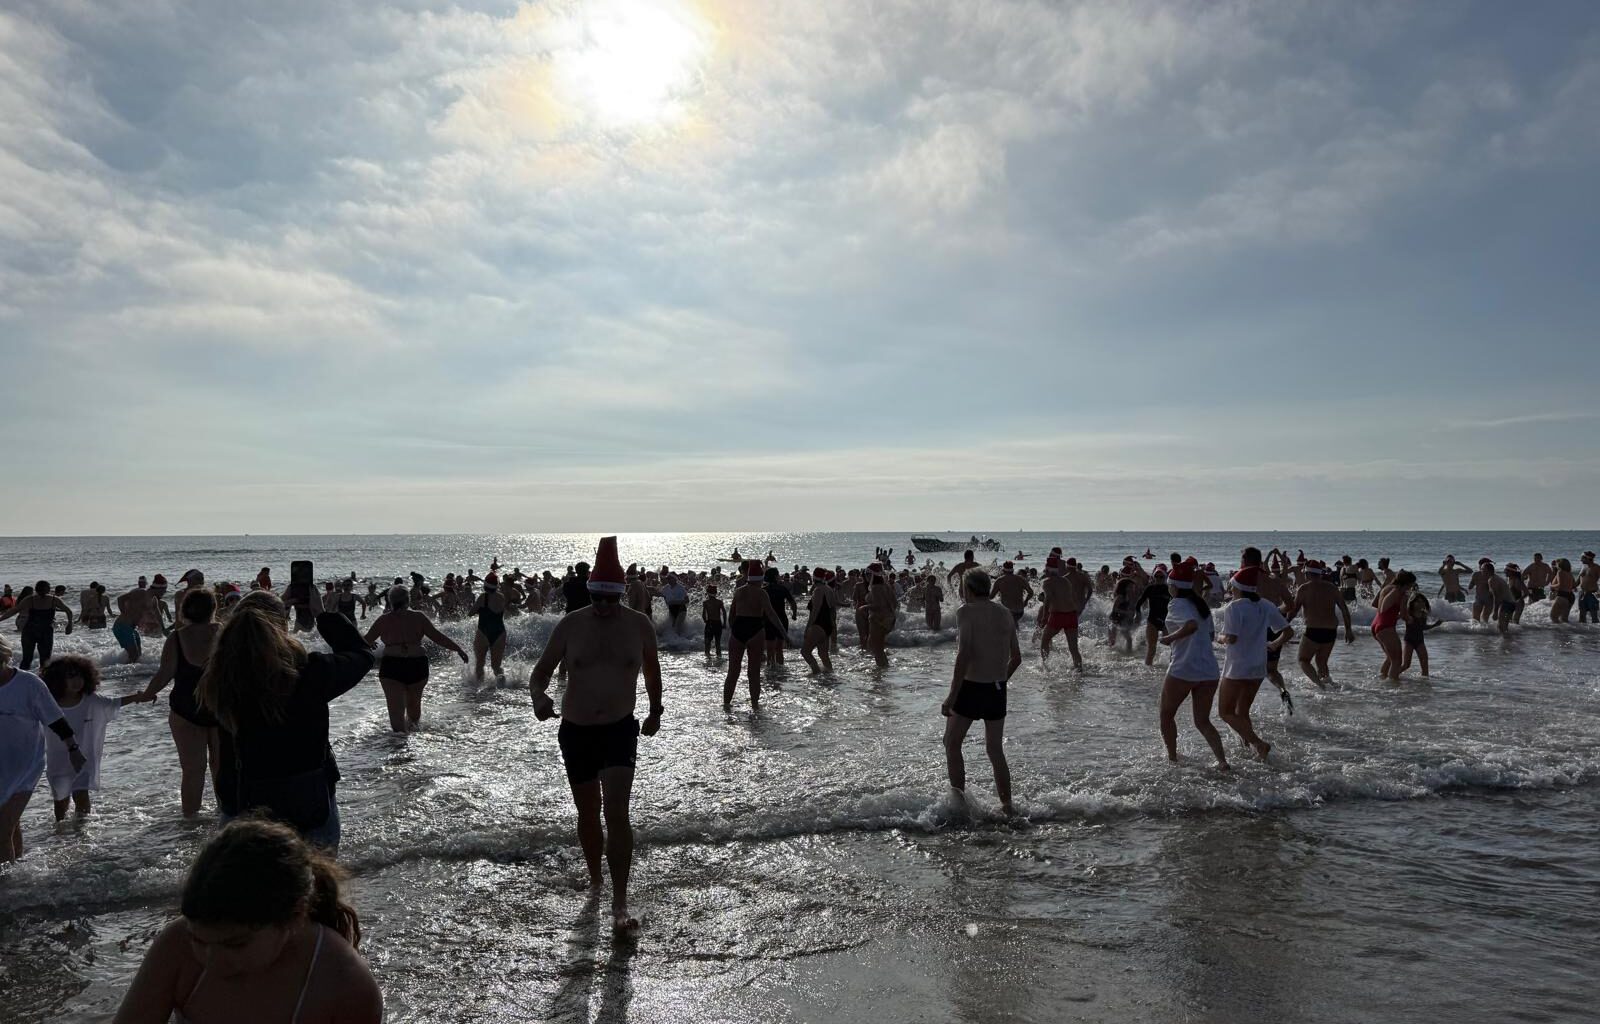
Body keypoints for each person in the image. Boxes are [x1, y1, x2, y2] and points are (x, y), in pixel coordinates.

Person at [112, 817, 382, 1024]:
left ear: (293, 917)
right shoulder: (177, 944)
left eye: (236, 945)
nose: (213, 962)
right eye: (201, 942)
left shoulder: (345, 984)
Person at [528, 537, 662, 933]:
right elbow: (540, 673)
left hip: (621, 728)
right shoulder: (571, 625)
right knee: (587, 813)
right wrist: (539, 698)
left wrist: (656, 711)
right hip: (576, 731)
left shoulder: (640, 625)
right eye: (597, 599)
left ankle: (620, 902)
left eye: (610, 600)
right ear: (589, 593)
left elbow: (652, 672)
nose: (603, 607)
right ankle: (596, 881)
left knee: (616, 812)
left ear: (621, 594)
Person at [200, 592, 375, 850]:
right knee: (317, 885)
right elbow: (361, 655)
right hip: (307, 801)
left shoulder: (217, 681)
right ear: (283, 625)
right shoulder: (309, 674)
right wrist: (322, 615)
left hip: (242, 803)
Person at [940, 571, 1023, 815]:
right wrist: (998, 681)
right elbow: (1016, 658)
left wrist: (952, 696)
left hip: (971, 687)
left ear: (968, 589)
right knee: (995, 750)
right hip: (996, 689)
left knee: (952, 743)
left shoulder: (966, 612)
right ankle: (1007, 806)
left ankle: (960, 805)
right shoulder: (1005, 612)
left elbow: (964, 654)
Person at [1, 636, 89, 861]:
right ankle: (17, 870)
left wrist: (74, 750)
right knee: (10, 825)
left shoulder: (28, 684)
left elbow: (56, 720)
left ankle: (5, 888)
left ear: (3, 657)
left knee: (2, 831)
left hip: (25, 768)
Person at [141, 588, 225, 816]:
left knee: (192, 770)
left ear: (184, 610)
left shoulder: (177, 637)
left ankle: (189, 823)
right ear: (214, 608)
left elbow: (164, 674)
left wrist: (147, 693)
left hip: (185, 710)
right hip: (222, 710)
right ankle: (224, 817)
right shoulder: (226, 634)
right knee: (222, 769)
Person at [42, 655, 149, 820]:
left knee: (82, 797)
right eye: (70, 677)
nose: (76, 681)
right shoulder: (49, 704)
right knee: (61, 803)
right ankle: (59, 838)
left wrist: (137, 697)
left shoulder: (91, 700)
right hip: (58, 761)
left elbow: (114, 703)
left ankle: (82, 833)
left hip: (84, 759)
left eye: (79, 676)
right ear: (58, 679)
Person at [1156, 560, 1230, 770]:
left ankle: (1172, 759)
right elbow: (1211, 635)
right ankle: (1222, 761)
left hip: (1184, 668)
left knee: (1166, 715)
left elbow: (1191, 625)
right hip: (1209, 669)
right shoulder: (1201, 605)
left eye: (1170, 584)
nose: (1168, 587)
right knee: (1202, 721)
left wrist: (1169, 639)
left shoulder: (1177, 603)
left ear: (1175, 586)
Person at [363, 587, 468, 733]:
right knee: (414, 713)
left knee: (396, 714)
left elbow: (364, 641)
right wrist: (458, 649)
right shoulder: (419, 617)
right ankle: (411, 746)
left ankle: (399, 747)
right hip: (416, 664)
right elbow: (438, 637)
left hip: (392, 666)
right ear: (408, 600)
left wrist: (366, 644)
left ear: (390, 601)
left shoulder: (384, 620)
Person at [1216, 567, 1287, 761]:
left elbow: (1231, 638)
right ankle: (1249, 747)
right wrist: (1274, 643)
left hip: (1237, 667)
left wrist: (1219, 637)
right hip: (1258, 667)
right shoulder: (1265, 604)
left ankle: (1258, 744)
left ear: (1237, 587)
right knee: (1241, 712)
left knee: (1225, 712)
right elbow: (1288, 632)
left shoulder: (1234, 607)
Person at [722, 561, 787, 709]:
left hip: (738, 629)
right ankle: (755, 706)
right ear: (760, 578)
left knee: (733, 672)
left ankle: (726, 704)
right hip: (755, 629)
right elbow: (771, 615)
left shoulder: (738, 591)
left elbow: (731, 615)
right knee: (754, 673)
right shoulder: (761, 593)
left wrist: (733, 630)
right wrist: (784, 634)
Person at [1283, 561, 1354, 689]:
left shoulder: (1304, 589)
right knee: (1321, 662)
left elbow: (1293, 611)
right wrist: (1349, 630)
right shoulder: (1332, 588)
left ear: (1308, 574)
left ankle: (1320, 685)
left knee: (1303, 660)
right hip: (1331, 631)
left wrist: (1284, 625)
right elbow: (1344, 609)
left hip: (1313, 631)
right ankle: (1328, 684)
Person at [0, 579, 73, 670]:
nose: (43, 592)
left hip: (37, 632)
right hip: (37, 632)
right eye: (42, 590)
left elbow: (15, 610)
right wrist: (69, 625)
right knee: (34, 660)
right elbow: (68, 611)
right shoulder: (45, 599)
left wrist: (70, 625)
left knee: (37, 660)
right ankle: (33, 679)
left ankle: (35, 680)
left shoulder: (40, 599)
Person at [1038, 555, 1089, 668]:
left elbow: (1048, 598)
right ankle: (1079, 671)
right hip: (1071, 615)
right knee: (1073, 648)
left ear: (1047, 569)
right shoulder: (1065, 580)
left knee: (1044, 641)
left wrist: (1044, 616)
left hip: (1057, 615)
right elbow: (1073, 597)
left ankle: (1045, 666)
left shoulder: (1047, 582)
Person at [1371, 571, 1416, 681]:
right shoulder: (1402, 594)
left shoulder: (1386, 588)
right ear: (1406, 583)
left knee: (1390, 658)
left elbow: (1375, 604)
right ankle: (1393, 686)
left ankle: (1382, 679)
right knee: (1397, 661)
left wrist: (1394, 615)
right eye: (1411, 585)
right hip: (1386, 627)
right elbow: (1405, 616)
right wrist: (1413, 619)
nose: (1411, 587)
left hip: (1375, 624)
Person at [470, 574, 509, 683]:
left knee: (480, 664)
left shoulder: (483, 597)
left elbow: (470, 613)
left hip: (484, 631)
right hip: (500, 632)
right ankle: (503, 687)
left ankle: (478, 689)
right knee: (496, 667)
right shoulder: (502, 596)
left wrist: (479, 610)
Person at [801, 568, 839, 674]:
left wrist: (808, 627)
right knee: (823, 655)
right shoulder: (829, 589)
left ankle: (816, 672)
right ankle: (831, 676)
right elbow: (833, 610)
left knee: (805, 652)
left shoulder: (818, 590)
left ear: (813, 577)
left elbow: (815, 611)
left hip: (818, 624)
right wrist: (832, 626)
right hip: (827, 626)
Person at [113, 578, 159, 663]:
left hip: (131, 629)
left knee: (138, 655)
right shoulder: (141, 592)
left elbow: (155, 615)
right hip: (122, 626)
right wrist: (124, 614)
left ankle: (132, 672)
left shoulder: (154, 600)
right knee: (134, 655)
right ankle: (122, 673)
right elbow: (120, 599)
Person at [1398, 592, 1443, 678]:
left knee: (1425, 664)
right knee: (1406, 665)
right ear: (1412, 602)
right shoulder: (1409, 613)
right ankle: (1393, 675)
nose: (1420, 604)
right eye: (1417, 601)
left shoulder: (1423, 614)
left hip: (1420, 641)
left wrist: (1435, 625)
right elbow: (1402, 615)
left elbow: (1423, 627)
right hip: (1409, 641)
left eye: (1422, 602)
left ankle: (1425, 684)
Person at [1136, 565, 1171, 666]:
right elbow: (1139, 603)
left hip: (1166, 621)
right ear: (1153, 577)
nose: (1159, 579)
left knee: (1172, 645)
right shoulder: (1150, 588)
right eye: (1157, 576)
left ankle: (1172, 667)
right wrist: (1137, 615)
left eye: (1161, 577)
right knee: (1151, 648)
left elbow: (1176, 604)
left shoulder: (1169, 589)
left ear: (1165, 578)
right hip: (1152, 620)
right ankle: (1148, 670)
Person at [764, 567, 798, 667]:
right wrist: (794, 614)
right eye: (778, 575)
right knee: (779, 649)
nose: (780, 576)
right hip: (782, 619)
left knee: (770, 649)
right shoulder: (782, 589)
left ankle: (770, 670)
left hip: (768, 621)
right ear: (775, 577)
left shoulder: (764, 590)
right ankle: (779, 671)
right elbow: (793, 603)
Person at [865, 564, 897, 668]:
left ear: (873, 575)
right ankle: (884, 667)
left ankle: (880, 671)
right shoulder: (886, 586)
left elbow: (878, 606)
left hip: (878, 619)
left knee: (875, 647)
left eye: (867, 574)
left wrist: (864, 607)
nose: (866, 576)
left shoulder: (875, 587)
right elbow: (895, 603)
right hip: (888, 619)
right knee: (879, 647)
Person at [992, 562, 1033, 628]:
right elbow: (1031, 592)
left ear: (1003, 570)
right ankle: (1019, 636)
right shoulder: (1021, 579)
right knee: (1014, 623)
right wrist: (1026, 601)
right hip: (1019, 611)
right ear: (1013, 570)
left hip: (1007, 611)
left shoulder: (999, 581)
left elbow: (991, 596)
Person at [701, 584, 725, 658]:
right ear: (716, 593)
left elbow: (703, 614)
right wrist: (724, 623)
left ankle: (707, 655)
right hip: (718, 623)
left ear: (707, 593)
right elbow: (724, 612)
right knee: (718, 641)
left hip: (710, 623)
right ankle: (719, 655)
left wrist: (705, 621)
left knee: (708, 641)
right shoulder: (719, 602)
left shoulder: (706, 602)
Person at [1551, 558, 1577, 624]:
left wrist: (1551, 586)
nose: (1556, 565)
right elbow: (1574, 586)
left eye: (1557, 564)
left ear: (1560, 565)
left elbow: (1560, 584)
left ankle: (1559, 632)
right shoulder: (1570, 574)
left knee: (1553, 617)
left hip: (1562, 595)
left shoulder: (1560, 572)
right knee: (1564, 619)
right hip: (1570, 596)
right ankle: (1567, 632)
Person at [1579, 552, 1600, 624]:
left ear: (1588, 558)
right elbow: (1579, 579)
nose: (1581, 560)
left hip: (1592, 593)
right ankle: (1582, 634)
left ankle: (1596, 634)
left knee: (1594, 615)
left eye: (1582, 558)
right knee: (1582, 615)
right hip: (1582, 593)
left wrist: (1599, 592)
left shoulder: (1596, 567)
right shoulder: (1583, 567)